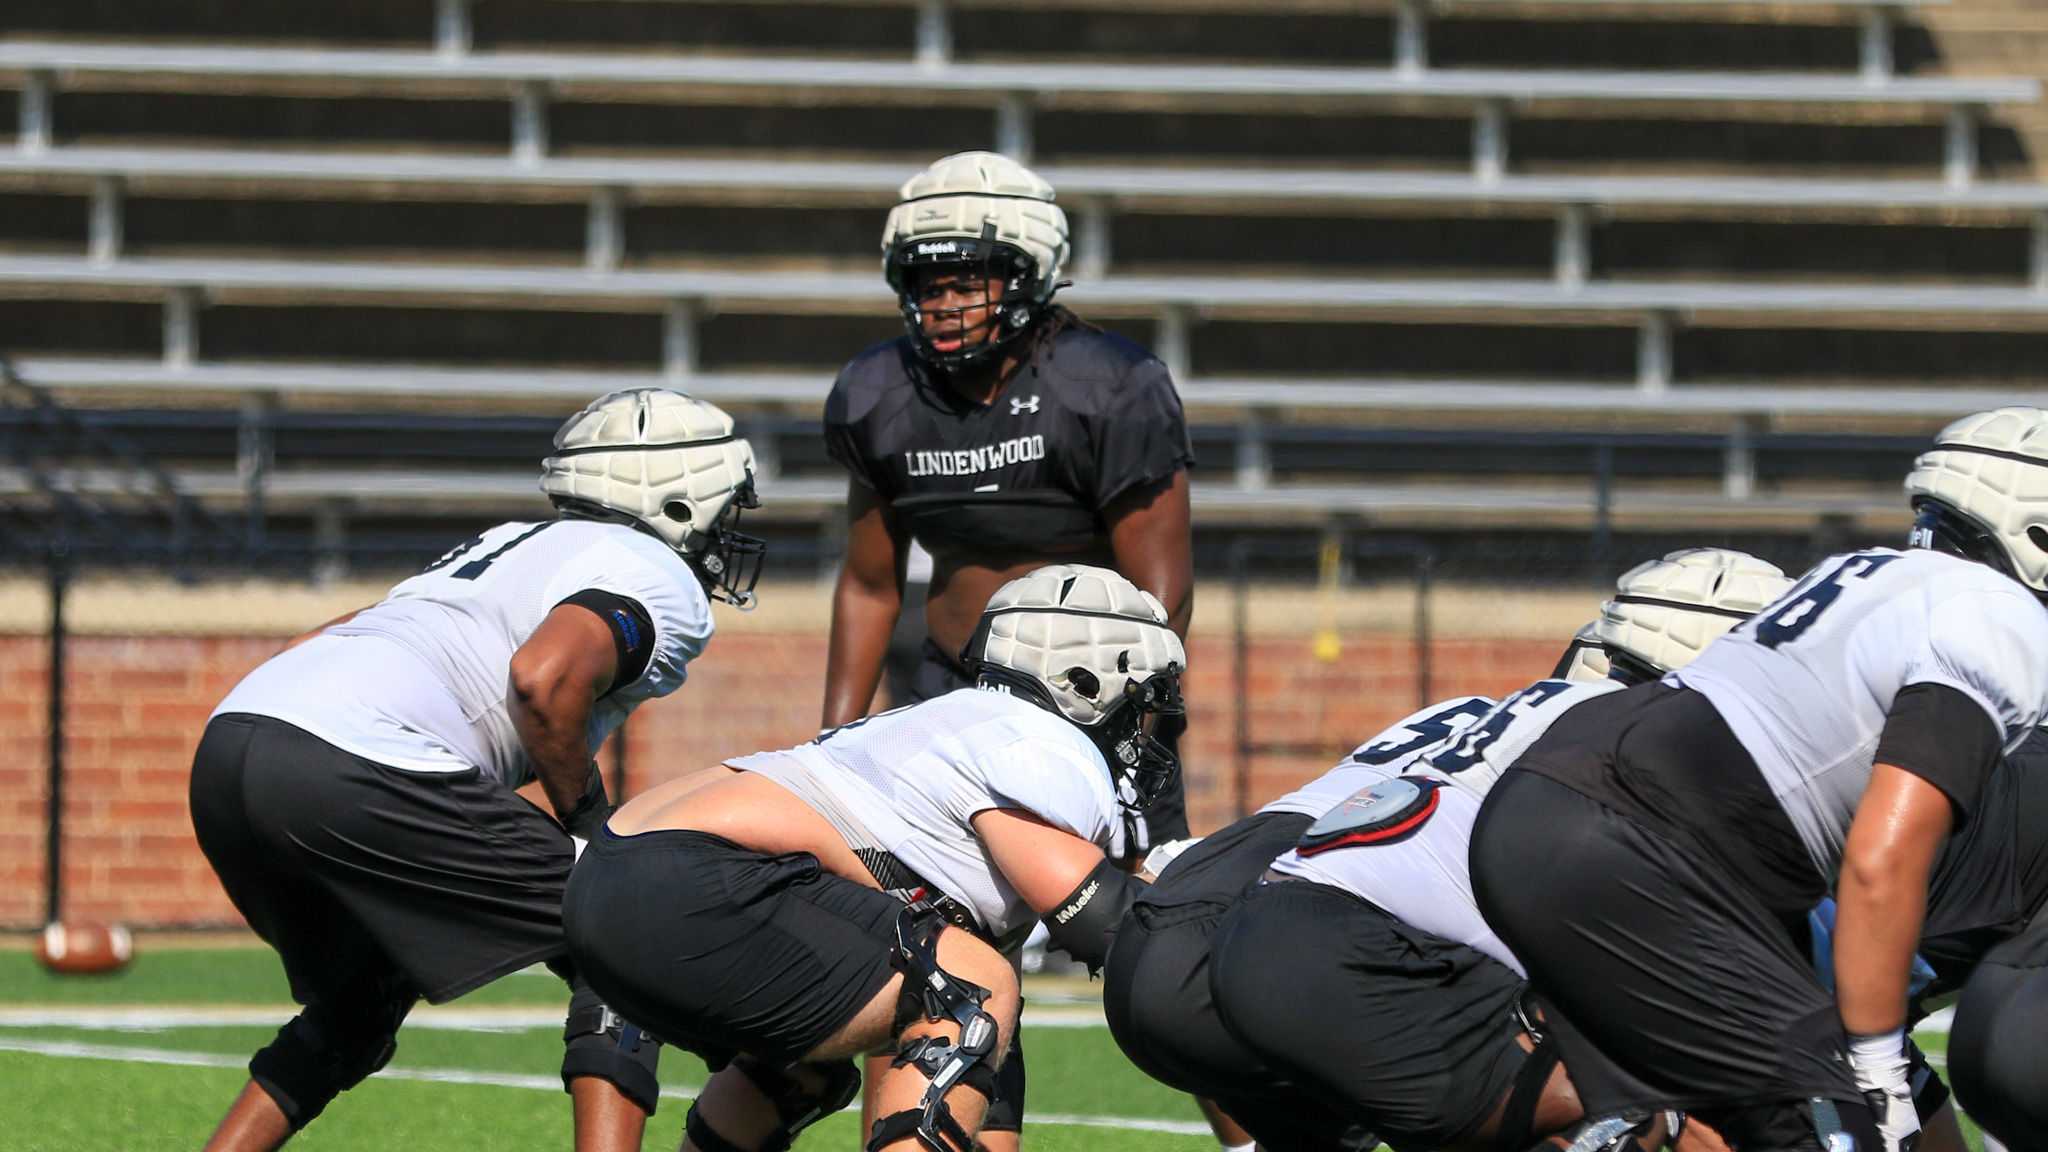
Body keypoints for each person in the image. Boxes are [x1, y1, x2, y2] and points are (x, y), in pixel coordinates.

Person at [187, 389, 763, 1152]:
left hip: (235, 742)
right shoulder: (654, 570)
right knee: (618, 936)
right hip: (355, 758)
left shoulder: (507, 541)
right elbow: (545, 676)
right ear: (680, 498)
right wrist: (591, 825)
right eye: (725, 506)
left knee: (362, 998)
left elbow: (319, 644)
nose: (730, 528)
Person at [1470, 406, 2048, 1152]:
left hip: (1546, 814)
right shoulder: (1995, 615)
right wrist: (1877, 1068)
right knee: (1834, 1128)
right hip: (1643, 850)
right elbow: (1882, 858)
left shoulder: (1864, 574)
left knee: (1693, 1121)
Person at [1105, 548, 1793, 1152]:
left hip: (1198, 917)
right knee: (1622, 1092)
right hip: (1316, 927)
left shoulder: (1479, 714)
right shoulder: (1616, 749)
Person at [560, 564, 1183, 1152]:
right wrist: (1203, 899)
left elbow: (995, 1032)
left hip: (610, 882)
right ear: (1085, 683)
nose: (1145, 727)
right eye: (1141, 703)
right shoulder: (1040, 744)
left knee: (815, 1061)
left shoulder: (949, 723)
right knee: (965, 991)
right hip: (689, 878)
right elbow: (1104, 923)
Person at [820, 149, 1196, 855]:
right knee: (923, 898)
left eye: (967, 282)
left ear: (1031, 273)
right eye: (927, 283)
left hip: (1095, 692)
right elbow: (870, 585)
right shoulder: (878, 392)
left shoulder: (1111, 386)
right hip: (951, 685)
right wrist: (833, 739)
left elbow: (1162, 599)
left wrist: (1127, 738)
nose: (944, 304)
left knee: (1138, 899)